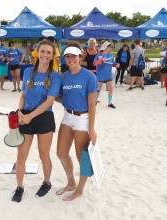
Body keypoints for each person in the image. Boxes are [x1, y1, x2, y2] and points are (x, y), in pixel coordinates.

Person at [12, 40, 61, 202]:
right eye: (43, 51)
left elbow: (49, 101)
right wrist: (20, 111)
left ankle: (46, 182)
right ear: (37, 53)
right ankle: (19, 187)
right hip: (25, 116)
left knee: (43, 154)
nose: (45, 55)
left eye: (49, 52)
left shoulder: (54, 75)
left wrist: (30, 116)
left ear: (53, 56)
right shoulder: (27, 72)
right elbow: (23, 95)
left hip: (44, 117)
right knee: (21, 156)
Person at [56, 42, 98, 201]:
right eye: (67, 56)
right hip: (67, 116)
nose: (70, 59)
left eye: (73, 56)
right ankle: (71, 183)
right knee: (61, 153)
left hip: (83, 119)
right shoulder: (64, 76)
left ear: (80, 57)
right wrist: (51, 97)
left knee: (82, 157)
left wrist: (91, 129)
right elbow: (62, 97)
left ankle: (80, 190)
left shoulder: (89, 76)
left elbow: (92, 105)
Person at [93, 41, 119, 108]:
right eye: (109, 46)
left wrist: (116, 65)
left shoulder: (110, 55)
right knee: (98, 90)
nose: (110, 48)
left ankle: (110, 103)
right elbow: (94, 64)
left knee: (111, 89)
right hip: (100, 75)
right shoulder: (98, 54)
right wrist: (101, 60)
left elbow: (112, 63)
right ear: (105, 47)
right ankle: (94, 102)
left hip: (108, 74)